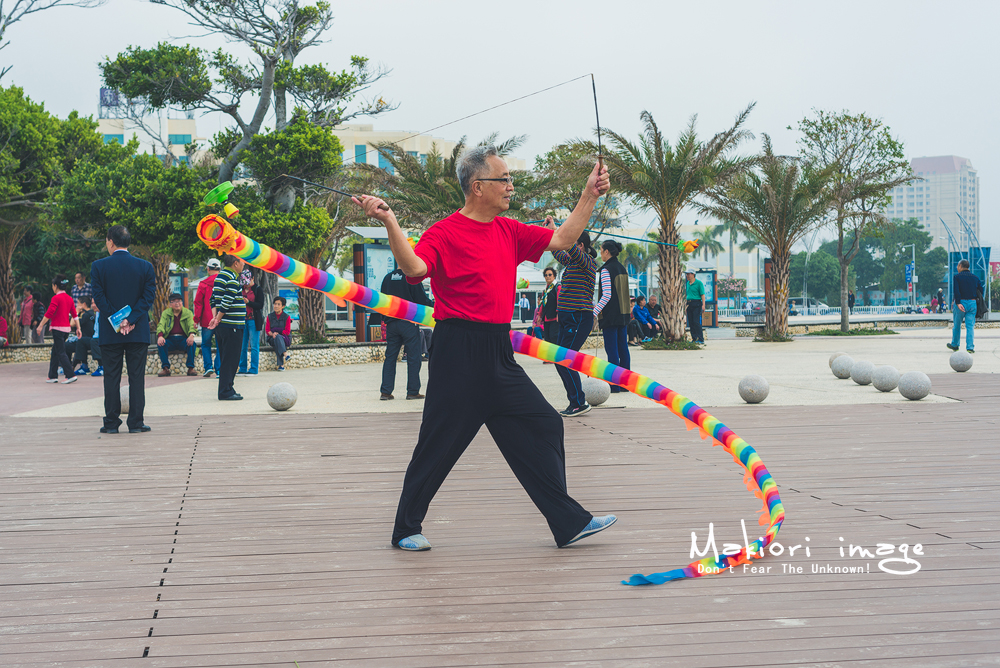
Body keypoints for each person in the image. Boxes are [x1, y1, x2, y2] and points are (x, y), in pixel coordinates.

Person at [352, 144, 615, 552]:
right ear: (478, 187)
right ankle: (405, 528)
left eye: (510, 179)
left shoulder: (509, 230)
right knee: (438, 445)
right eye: (504, 179)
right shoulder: (444, 232)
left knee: (546, 425)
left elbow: (564, 237)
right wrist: (390, 221)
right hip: (458, 350)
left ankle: (567, 522)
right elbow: (414, 269)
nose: (511, 186)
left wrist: (589, 194)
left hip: (498, 350)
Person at [92, 225, 156, 433]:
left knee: (111, 376)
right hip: (137, 332)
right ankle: (136, 423)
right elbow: (148, 298)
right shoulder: (145, 267)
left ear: (111, 241)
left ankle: (111, 423)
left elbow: (99, 297)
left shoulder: (98, 266)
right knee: (137, 377)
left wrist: (117, 321)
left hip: (111, 332)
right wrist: (132, 319)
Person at [552, 230, 598, 417]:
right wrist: (553, 229)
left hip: (578, 317)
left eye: (573, 243)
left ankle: (579, 402)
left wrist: (566, 234)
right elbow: (556, 248)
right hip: (567, 317)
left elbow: (567, 244)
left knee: (565, 360)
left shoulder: (587, 261)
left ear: (580, 246)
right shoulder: (571, 262)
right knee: (559, 360)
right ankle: (576, 401)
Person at [379, 264, 434, 400]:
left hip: (391, 323)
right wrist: (433, 306)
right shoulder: (411, 277)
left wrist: (385, 319)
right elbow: (421, 299)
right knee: (414, 357)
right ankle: (412, 391)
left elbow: (382, 301)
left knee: (390, 357)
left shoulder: (387, 278)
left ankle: (385, 392)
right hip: (408, 322)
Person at [594, 240, 630, 392]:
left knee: (612, 350)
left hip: (610, 316)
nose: (600, 254)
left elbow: (606, 295)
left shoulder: (606, 270)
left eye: (601, 251)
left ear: (607, 252)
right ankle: (626, 384)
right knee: (623, 349)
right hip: (623, 315)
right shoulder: (622, 268)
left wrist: (594, 312)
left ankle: (614, 385)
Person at [209, 253, 246, 401]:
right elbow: (227, 300)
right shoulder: (231, 278)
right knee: (231, 359)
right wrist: (217, 319)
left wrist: (215, 318)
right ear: (235, 263)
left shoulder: (220, 276)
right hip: (232, 325)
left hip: (224, 325)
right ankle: (225, 391)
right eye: (242, 262)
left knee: (226, 358)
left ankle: (228, 388)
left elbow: (213, 299)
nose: (244, 265)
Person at [37, 275, 78, 384]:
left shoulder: (56, 298)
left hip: (57, 329)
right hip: (66, 330)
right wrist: (78, 328)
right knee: (55, 351)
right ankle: (52, 376)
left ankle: (70, 375)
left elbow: (49, 312)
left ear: (55, 286)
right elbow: (75, 314)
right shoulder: (69, 298)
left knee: (60, 352)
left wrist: (40, 325)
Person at [156, 293, 198, 376]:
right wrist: (160, 336)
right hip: (170, 339)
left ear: (182, 302)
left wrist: (191, 335)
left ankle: (190, 368)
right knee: (161, 344)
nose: (177, 303)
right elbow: (161, 325)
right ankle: (165, 368)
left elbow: (191, 325)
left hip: (183, 339)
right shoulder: (166, 313)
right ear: (170, 304)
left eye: (178, 301)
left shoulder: (188, 313)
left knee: (192, 344)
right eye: (174, 301)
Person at [194, 257, 222, 378]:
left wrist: (196, 319)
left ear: (208, 269)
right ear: (220, 269)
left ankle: (208, 367)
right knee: (221, 344)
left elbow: (198, 303)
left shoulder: (203, 284)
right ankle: (219, 370)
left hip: (207, 320)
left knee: (206, 344)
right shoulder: (223, 282)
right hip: (221, 319)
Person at [947, 259, 983, 354]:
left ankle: (955, 344)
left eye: (958, 266)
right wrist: (976, 299)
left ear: (961, 266)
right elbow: (981, 289)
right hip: (972, 303)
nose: (957, 267)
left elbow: (956, 291)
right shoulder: (975, 277)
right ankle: (970, 347)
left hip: (961, 303)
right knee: (970, 326)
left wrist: (958, 303)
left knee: (957, 325)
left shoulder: (957, 277)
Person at [237, 267, 264, 376]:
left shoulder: (257, 289)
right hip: (242, 320)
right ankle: (242, 368)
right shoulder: (240, 289)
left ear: (252, 278)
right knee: (242, 345)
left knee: (254, 345)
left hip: (253, 320)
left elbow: (260, 305)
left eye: (247, 282)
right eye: (244, 283)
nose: (246, 285)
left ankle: (253, 369)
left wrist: (248, 302)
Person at [69, 297, 97, 375]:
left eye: (78, 303)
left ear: (83, 304)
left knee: (76, 343)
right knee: (68, 345)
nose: (77, 305)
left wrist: (76, 312)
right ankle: (70, 366)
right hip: (87, 339)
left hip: (88, 340)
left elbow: (72, 324)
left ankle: (81, 367)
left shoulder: (87, 315)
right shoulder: (91, 313)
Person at [264, 296, 293, 371]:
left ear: (283, 306)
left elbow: (287, 331)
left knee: (278, 338)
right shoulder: (270, 316)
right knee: (277, 338)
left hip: (285, 338)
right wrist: (272, 334)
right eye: (275, 304)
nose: (276, 306)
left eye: (278, 304)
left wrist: (277, 333)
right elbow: (267, 330)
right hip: (272, 338)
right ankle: (285, 355)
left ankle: (281, 365)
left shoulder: (287, 317)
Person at [539, 267, 560, 344]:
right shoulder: (545, 291)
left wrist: (558, 313)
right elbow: (542, 304)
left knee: (554, 337)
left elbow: (559, 301)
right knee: (547, 339)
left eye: (550, 274)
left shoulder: (558, 287)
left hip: (555, 318)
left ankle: (556, 356)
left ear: (554, 276)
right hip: (546, 318)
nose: (548, 276)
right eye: (545, 275)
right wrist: (539, 315)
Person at [685, 268, 706, 344]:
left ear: (693, 274)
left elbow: (702, 295)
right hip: (689, 303)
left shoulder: (699, 283)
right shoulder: (687, 283)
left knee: (696, 321)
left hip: (697, 303)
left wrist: (703, 305)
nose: (687, 276)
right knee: (690, 322)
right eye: (686, 274)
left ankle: (700, 338)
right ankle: (694, 338)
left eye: (688, 274)